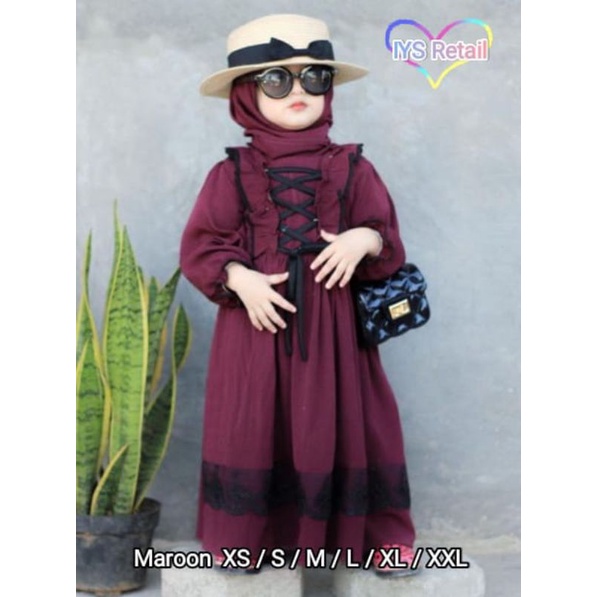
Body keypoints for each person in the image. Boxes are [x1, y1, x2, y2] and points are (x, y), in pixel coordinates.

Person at [180, 13, 417, 576]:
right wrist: (238, 277)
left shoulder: (354, 168)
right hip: (256, 331)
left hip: (338, 336)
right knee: (252, 428)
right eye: (276, 79)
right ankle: (246, 538)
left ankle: (372, 538)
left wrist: (364, 238)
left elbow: (387, 242)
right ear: (245, 92)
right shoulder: (230, 174)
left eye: (314, 77)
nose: (298, 90)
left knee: (351, 424)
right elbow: (201, 246)